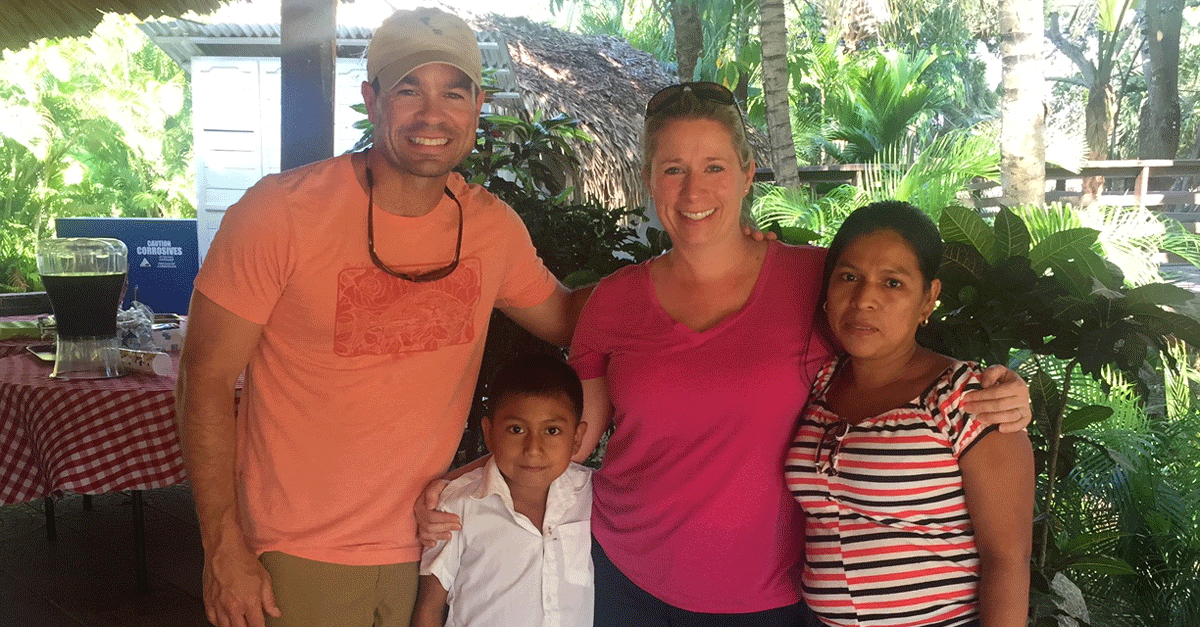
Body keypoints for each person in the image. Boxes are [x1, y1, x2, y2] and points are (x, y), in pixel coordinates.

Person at [420, 82, 1033, 626]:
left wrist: (1000, 389)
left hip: (767, 597)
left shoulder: (817, 280)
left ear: (747, 173)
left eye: (714, 167)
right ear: (648, 178)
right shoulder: (613, 302)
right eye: (673, 169)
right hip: (624, 577)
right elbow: (570, 441)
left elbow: (895, 341)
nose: (694, 191)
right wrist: (460, 489)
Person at [175, 8, 583, 627]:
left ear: (478, 106)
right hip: (295, 553)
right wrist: (223, 546)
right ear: (372, 100)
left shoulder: (491, 228)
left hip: (432, 542)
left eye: (454, 93)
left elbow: (569, 320)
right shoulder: (279, 214)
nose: (431, 114)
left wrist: (689, 269)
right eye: (408, 90)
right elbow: (202, 380)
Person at [784, 201, 1034, 627]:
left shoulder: (970, 400)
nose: (864, 300)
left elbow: (1008, 560)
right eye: (849, 277)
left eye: (893, 283)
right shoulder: (820, 381)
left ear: (928, 297)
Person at [412, 353, 593, 627]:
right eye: (516, 429)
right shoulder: (457, 506)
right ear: (489, 433)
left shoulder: (590, 494)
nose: (533, 449)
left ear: (577, 438)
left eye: (552, 431)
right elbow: (430, 606)